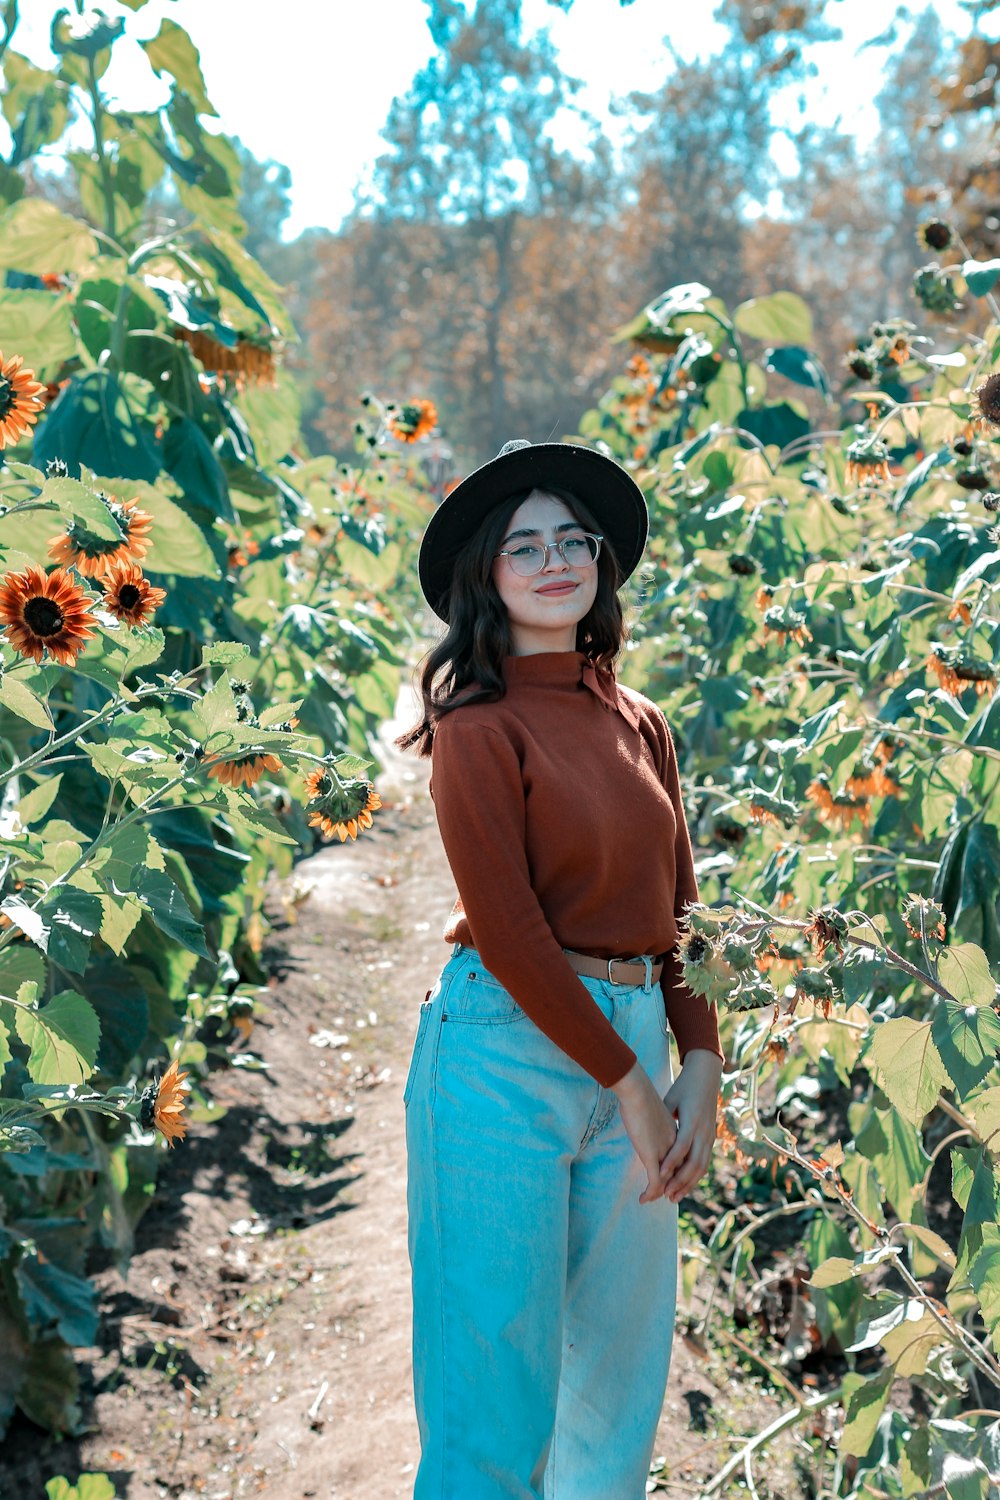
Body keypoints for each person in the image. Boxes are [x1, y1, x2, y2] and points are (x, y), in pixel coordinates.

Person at [397, 437, 724, 1500]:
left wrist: (699, 1062)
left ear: (599, 563)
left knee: (615, 1405)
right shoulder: (477, 729)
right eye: (520, 545)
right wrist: (628, 1083)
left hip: (630, 1037)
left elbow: (681, 913)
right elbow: (509, 932)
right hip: (505, 1055)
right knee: (493, 1411)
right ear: (484, 576)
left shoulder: (641, 723)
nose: (551, 560)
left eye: (569, 540)